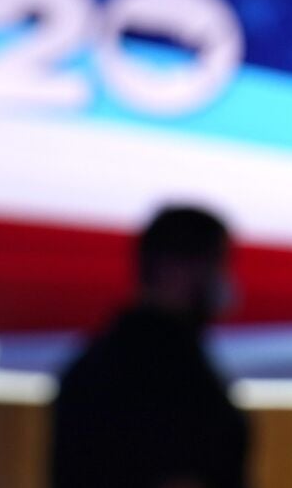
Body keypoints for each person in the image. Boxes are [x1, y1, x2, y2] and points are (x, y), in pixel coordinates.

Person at [52, 206, 248, 488]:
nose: (224, 280)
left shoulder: (94, 360)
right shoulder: (171, 372)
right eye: (218, 263)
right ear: (173, 269)